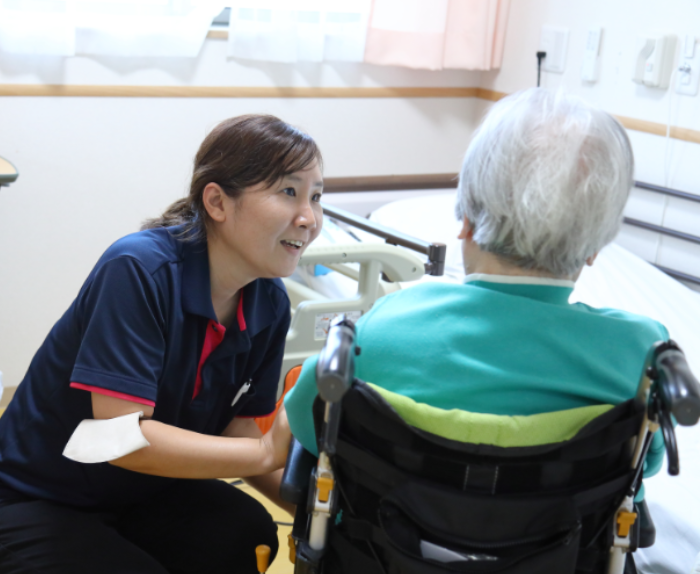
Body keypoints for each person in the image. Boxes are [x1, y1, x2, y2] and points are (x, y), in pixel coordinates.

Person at [0, 114, 324, 574]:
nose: (308, 217)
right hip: (16, 503)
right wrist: (264, 451)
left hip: (131, 494)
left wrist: (323, 516)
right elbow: (119, 438)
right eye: (289, 192)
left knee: (246, 537)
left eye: (317, 196)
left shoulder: (268, 302)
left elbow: (239, 433)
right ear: (217, 201)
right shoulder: (139, 269)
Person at [284, 88, 667, 489]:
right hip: (570, 530)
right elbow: (645, 460)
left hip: (387, 529)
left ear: (466, 219)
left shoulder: (384, 328)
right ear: (595, 247)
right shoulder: (642, 354)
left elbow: (308, 423)